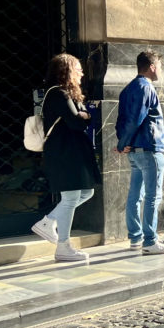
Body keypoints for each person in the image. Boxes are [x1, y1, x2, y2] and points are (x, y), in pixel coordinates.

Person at [30, 54, 102, 261]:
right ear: (66, 70)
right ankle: (63, 246)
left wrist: (82, 116)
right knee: (70, 198)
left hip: (71, 152)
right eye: (78, 68)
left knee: (86, 192)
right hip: (65, 153)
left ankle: (49, 221)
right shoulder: (59, 94)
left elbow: (78, 118)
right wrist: (85, 116)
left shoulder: (67, 94)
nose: (82, 72)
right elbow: (76, 122)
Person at [115, 51, 164, 254]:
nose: (160, 70)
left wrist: (123, 143)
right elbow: (135, 119)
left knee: (135, 194)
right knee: (152, 196)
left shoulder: (127, 89)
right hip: (150, 149)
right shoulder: (145, 87)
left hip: (135, 150)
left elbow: (121, 121)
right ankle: (150, 242)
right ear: (151, 66)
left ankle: (135, 239)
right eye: (159, 65)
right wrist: (123, 143)